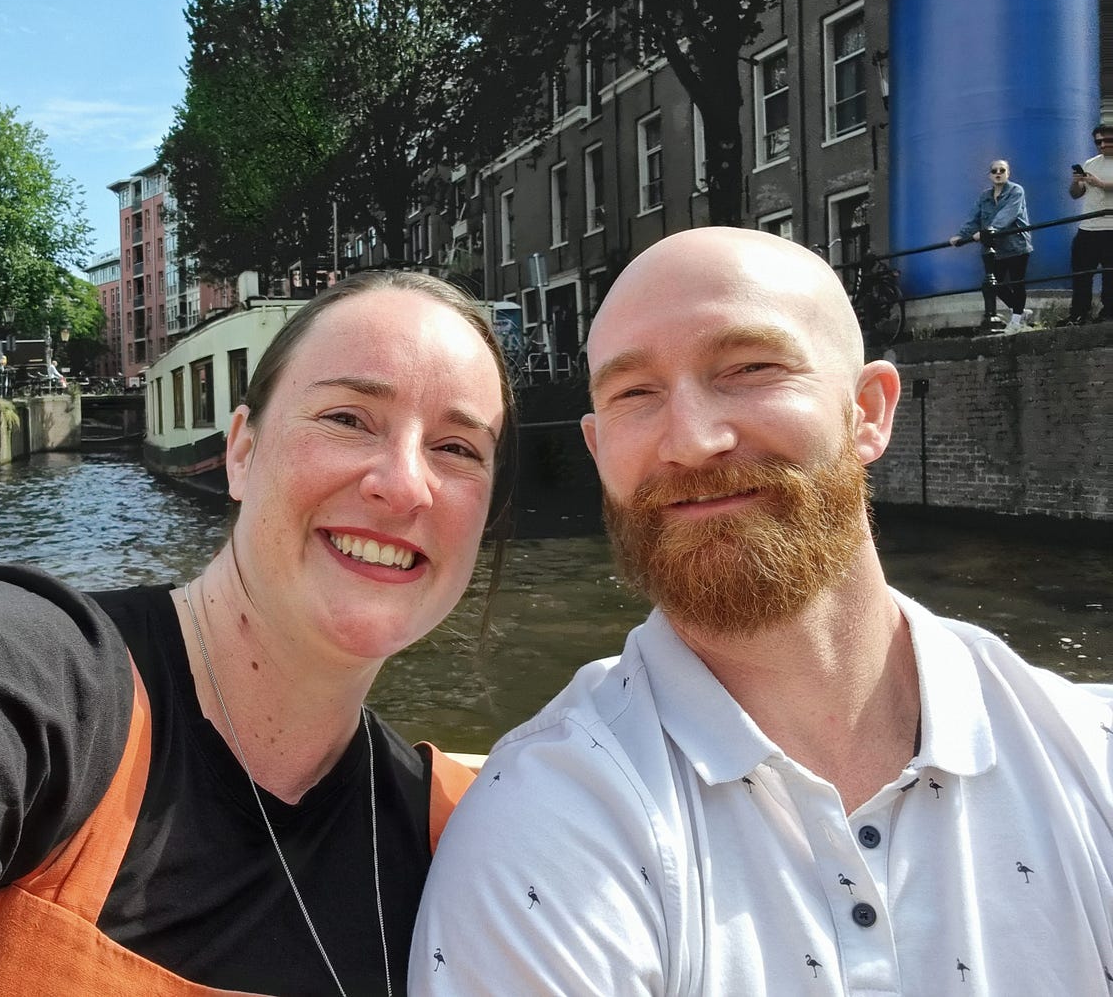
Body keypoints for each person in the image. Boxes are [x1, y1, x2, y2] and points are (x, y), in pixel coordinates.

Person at [0, 270, 516, 996]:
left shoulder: (465, 837)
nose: (406, 486)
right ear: (242, 452)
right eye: (347, 419)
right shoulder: (43, 679)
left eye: (457, 449)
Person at [410, 228, 1113, 995]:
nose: (693, 441)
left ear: (868, 411)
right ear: (596, 447)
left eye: (749, 368)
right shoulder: (544, 830)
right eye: (635, 394)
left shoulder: (1091, 760)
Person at [949, 158, 1033, 333]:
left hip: (1016, 244)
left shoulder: (1016, 191)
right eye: (994, 171)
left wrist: (989, 230)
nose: (998, 174)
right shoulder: (985, 196)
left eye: (1002, 170)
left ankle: (1016, 320)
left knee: (1017, 282)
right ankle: (1020, 311)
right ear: (989, 175)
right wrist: (961, 235)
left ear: (1008, 173)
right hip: (996, 248)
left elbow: (1008, 213)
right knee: (995, 284)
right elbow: (974, 217)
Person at [1065, 123, 1113, 324]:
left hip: (1111, 226)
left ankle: (1108, 313)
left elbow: (1100, 186)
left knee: (1110, 276)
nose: (1102, 145)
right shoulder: (1091, 163)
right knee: (1082, 273)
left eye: (1107, 140)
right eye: (1098, 141)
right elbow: (1076, 194)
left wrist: (1100, 184)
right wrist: (1077, 182)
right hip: (1088, 226)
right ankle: (1078, 313)